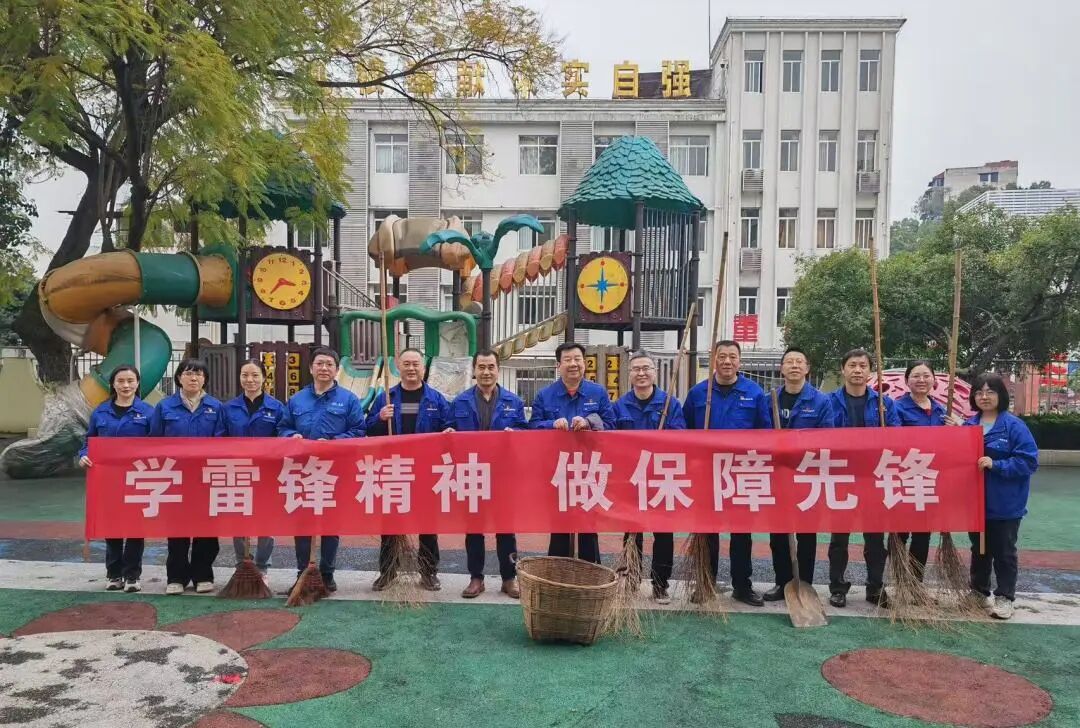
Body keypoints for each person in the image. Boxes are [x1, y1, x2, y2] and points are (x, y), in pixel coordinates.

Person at [682, 340, 772, 607]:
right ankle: (705, 583)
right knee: (706, 531)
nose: (727, 361)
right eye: (722, 356)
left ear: (739, 361)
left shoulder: (754, 392)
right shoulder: (699, 393)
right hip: (706, 473)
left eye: (732, 356)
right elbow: (683, 432)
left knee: (741, 532)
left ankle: (742, 586)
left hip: (741, 472)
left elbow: (765, 432)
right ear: (714, 360)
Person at [279, 346, 366, 593]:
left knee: (330, 523)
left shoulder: (349, 400)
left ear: (337, 370)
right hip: (302, 471)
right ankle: (303, 573)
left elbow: (359, 431)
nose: (324, 368)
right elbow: (282, 427)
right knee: (302, 523)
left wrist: (334, 443)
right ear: (311, 368)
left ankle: (327, 574)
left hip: (333, 471)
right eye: (319, 364)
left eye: (329, 364)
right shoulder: (297, 400)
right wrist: (292, 435)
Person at [366, 347, 453, 591]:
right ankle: (388, 571)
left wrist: (449, 432)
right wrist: (380, 418)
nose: (412, 368)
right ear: (398, 366)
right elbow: (367, 429)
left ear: (423, 368)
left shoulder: (436, 399)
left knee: (428, 524)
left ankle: (429, 572)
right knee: (390, 524)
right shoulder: (386, 397)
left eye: (416, 364)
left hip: (426, 471)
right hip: (395, 469)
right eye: (407, 364)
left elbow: (449, 426)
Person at [450, 350, 528, 599]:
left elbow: (526, 433)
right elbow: (447, 430)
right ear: (474, 370)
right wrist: (448, 433)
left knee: (506, 529)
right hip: (472, 474)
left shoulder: (513, 402)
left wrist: (515, 434)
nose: (486, 372)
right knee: (474, 528)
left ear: (498, 370)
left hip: (503, 475)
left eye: (491, 367)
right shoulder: (460, 402)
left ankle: (509, 578)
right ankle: (476, 578)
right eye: (481, 367)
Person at [528, 342, 616, 564]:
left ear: (584, 364)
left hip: (589, 470)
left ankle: (591, 575)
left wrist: (589, 422)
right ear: (558, 365)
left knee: (588, 528)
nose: (573, 364)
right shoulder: (545, 395)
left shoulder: (598, 393)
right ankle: (558, 574)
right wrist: (551, 424)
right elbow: (532, 427)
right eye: (567, 360)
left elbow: (611, 425)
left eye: (577, 359)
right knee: (559, 527)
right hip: (557, 472)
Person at [826, 348, 900, 608]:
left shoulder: (884, 404)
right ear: (843, 369)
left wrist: (886, 436)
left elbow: (898, 437)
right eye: (852, 365)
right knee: (839, 538)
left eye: (863, 365)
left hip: (873, 478)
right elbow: (821, 435)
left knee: (875, 538)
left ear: (870, 371)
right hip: (841, 477)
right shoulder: (829, 402)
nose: (857, 370)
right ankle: (837, 587)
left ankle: (875, 587)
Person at [963, 372, 1038, 620]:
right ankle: (978, 591)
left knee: (1004, 551)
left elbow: (1028, 462)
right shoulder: (968, 425)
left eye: (990, 392)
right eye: (979, 392)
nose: (984, 397)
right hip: (976, 503)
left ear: (1001, 395)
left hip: (1005, 504)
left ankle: (1005, 597)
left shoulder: (1014, 426)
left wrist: (996, 465)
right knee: (979, 549)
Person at [614, 352, 686, 605]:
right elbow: (611, 440)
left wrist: (662, 439)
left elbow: (681, 436)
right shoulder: (620, 405)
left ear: (655, 372)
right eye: (636, 369)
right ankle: (631, 579)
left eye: (646, 368)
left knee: (663, 533)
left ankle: (660, 584)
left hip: (662, 477)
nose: (641, 373)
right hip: (632, 479)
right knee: (632, 533)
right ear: (630, 374)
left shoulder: (670, 404)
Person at [151, 357, 226, 595]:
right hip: (175, 477)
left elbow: (222, 440)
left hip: (206, 478)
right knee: (177, 528)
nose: (194, 378)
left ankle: (203, 575)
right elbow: (153, 441)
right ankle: (177, 577)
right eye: (188, 373)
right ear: (179, 378)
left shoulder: (216, 407)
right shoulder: (165, 407)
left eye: (199, 374)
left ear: (205, 379)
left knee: (207, 529)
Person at [764, 347, 832, 602]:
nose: (794, 365)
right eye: (789, 362)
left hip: (806, 475)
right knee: (778, 534)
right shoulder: (769, 399)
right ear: (781, 368)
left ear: (807, 368)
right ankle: (782, 583)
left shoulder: (820, 401)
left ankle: (805, 584)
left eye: (799, 362)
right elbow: (758, 434)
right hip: (776, 476)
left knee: (806, 534)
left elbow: (827, 437)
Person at [79, 365, 155, 593]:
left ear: (137, 384)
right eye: (120, 381)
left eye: (130, 381)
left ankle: (132, 575)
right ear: (113, 384)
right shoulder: (100, 412)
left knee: (135, 528)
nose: (125, 385)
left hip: (138, 478)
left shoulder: (149, 412)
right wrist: (83, 456)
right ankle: (113, 573)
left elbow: (158, 444)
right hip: (108, 480)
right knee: (111, 526)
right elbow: (89, 441)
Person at [223, 358, 287, 585]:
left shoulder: (277, 408)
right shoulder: (228, 408)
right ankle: (242, 565)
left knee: (266, 522)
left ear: (264, 378)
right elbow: (220, 438)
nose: (249, 380)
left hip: (267, 474)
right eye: (245, 375)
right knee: (239, 521)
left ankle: (261, 567)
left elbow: (283, 436)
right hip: (237, 471)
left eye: (255, 375)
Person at [893, 360, 947, 581]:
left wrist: (955, 429)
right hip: (903, 478)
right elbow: (894, 440)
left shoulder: (941, 410)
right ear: (907, 381)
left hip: (928, 480)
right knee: (899, 533)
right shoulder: (896, 407)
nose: (921, 380)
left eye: (926, 375)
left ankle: (916, 582)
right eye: (916, 376)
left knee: (923, 533)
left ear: (934, 380)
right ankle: (899, 579)